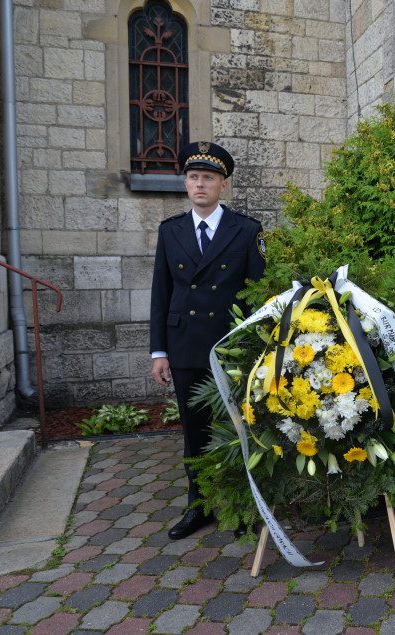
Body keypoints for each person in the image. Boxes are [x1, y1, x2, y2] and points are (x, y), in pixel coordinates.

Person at [150, 141, 266, 540]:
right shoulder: (170, 231)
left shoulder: (246, 230)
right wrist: (159, 351)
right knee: (194, 432)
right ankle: (198, 506)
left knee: (239, 430)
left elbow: (257, 294)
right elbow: (161, 293)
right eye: (194, 177)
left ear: (223, 185)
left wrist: (256, 349)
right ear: (186, 183)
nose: (200, 184)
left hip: (230, 346)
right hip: (184, 346)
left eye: (209, 178)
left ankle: (243, 505)